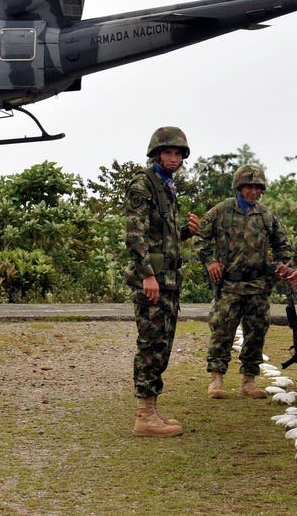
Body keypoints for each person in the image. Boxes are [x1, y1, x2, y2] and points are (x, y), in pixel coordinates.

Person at [125, 126, 200, 437]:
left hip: (168, 279)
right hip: (153, 280)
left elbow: (163, 239)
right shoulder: (143, 184)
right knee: (150, 344)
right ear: (156, 154)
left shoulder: (166, 186)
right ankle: (144, 415)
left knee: (163, 345)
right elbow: (135, 234)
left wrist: (186, 232)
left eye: (178, 153)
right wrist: (147, 276)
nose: (174, 157)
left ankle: (152, 408)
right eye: (168, 152)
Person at [196, 164, 291, 399]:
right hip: (229, 284)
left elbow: (283, 245)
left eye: (258, 187)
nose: (253, 191)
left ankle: (249, 380)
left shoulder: (266, 215)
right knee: (222, 330)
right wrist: (210, 262)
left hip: (257, 285)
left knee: (256, 331)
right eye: (249, 186)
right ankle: (216, 379)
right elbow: (200, 238)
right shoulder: (221, 211)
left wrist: (278, 267)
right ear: (239, 187)